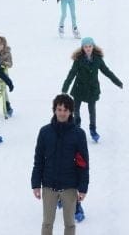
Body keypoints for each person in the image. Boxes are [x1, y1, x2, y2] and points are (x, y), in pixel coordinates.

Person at [31, 93, 89, 232]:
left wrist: (83, 187)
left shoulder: (78, 134)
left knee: (70, 224)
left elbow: (83, 164)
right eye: (59, 109)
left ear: (71, 111)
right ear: (54, 110)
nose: (62, 113)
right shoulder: (45, 132)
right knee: (47, 223)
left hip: (69, 187)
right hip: (49, 186)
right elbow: (38, 160)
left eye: (65, 110)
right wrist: (36, 184)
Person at [61, 36, 123, 143]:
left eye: (90, 46)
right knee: (76, 109)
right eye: (86, 47)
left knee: (92, 111)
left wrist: (117, 82)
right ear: (82, 48)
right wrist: (65, 87)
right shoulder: (78, 60)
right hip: (79, 88)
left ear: (93, 47)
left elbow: (107, 72)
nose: (88, 48)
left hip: (92, 89)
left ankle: (93, 130)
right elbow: (72, 74)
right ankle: (76, 126)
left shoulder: (98, 59)